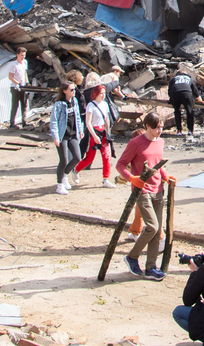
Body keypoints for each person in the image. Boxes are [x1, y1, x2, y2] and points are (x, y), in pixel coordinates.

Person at [116, 112, 174, 281]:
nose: (159, 131)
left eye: (161, 127)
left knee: (157, 232)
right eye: (156, 128)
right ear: (148, 126)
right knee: (152, 226)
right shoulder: (136, 143)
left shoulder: (161, 142)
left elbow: (158, 162)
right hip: (142, 189)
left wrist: (165, 176)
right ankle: (132, 257)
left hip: (158, 189)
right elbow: (120, 164)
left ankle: (151, 267)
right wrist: (131, 178)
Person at [74, 80, 115, 188]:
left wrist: (108, 133)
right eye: (101, 93)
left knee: (107, 156)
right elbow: (88, 122)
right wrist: (94, 135)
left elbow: (106, 119)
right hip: (93, 132)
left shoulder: (105, 104)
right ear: (95, 94)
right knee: (89, 158)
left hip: (103, 132)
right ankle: (76, 170)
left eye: (104, 93)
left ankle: (106, 179)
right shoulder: (91, 106)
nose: (103, 95)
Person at [50, 80, 84, 195]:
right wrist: (55, 136)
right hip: (62, 136)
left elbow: (78, 117)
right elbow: (54, 121)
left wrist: (80, 130)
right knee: (63, 160)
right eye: (71, 89)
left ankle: (64, 175)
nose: (74, 91)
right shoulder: (59, 105)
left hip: (73, 134)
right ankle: (59, 184)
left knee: (77, 158)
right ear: (64, 91)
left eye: (75, 89)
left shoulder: (74, 101)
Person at [167, 69, 197, 137]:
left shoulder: (173, 79)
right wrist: (200, 100)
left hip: (174, 94)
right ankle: (190, 131)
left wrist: (171, 99)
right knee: (189, 112)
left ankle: (179, 131)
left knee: (177, 111)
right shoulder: (189, 79)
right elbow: (195, 91)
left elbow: (169, 91)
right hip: (186, 93)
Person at [7, 47, 29, 128]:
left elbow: (24, 73)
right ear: (17, 55)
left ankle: (24, 122)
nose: (23, 57)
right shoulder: (13, 64)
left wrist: (27, 82)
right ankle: (12, 123)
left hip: (23, 87)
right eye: (21, 55)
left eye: (24, 55)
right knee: (15, 106)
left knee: (24, 105)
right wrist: (17, 83)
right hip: (15, 88)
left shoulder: (24, 62)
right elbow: (10, 77)